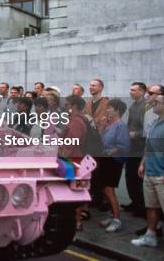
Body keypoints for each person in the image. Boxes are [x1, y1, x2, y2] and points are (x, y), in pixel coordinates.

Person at [132, 93, 164, 259]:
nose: (153, 103)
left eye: (157, 102)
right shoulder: (154, 123)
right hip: (150, 172)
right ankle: (151, 236)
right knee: (151, 207)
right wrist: (142, 163)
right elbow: (148, 146)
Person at [98, 99, 130, 233]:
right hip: (106, 160)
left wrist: (111, 151)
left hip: (114, 161)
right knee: (105, 189)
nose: (107, 110)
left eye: (110, 108)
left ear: (117, 110)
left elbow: (125, 146)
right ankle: (112, 216)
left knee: (109, 190)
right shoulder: (109, 124)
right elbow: (100, 141)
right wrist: (101, 127)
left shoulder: (120, 125)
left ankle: (117, 220)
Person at [60, 95, 88, 231]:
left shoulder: (76, 121)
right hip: (73, 158)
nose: (66, 107)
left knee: (74, 190)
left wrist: (62, 157)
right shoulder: (76, 120)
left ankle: (76, 222)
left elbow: (71, 143)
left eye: (67, 105)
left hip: (73, 160)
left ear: (74, 106)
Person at [123, 82, 148, 217]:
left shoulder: (146, 106)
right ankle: (134, 202)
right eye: (130, 90)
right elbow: (129, 123)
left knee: (138, 176)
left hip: (140, 145)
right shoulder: (133, 106)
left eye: (134, 90)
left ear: (142, 91)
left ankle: (141, 205)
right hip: (131, 145)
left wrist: (134, 134)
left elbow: (147, 128)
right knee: (130, 174)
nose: (131, 92)